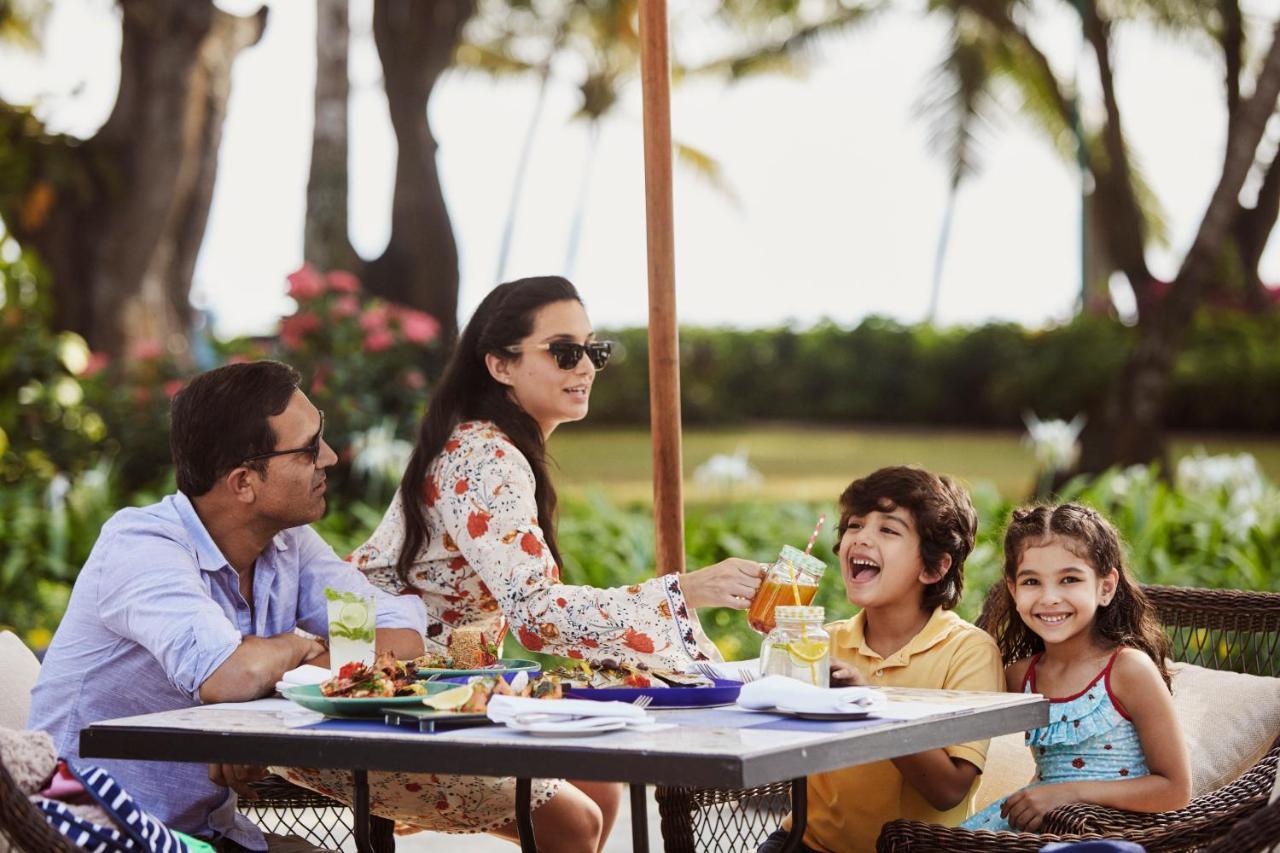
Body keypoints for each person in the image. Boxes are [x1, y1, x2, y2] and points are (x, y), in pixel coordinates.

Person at [281, 276, 764, 853]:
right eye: (564, 351)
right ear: (500, 365)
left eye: (595, 351)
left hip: (439, 690)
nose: (584, 366)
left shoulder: (491, 444)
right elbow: (537, 615)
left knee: (601, 788)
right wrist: (683, 592)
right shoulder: (485, 455)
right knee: (578, 821)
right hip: (377, 700)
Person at [27, 360, 427, 853]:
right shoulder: (142, 546)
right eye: (307, 448)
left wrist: (269, 689)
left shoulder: (288, 545)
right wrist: (300, 648)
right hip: (97, 830)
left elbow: (402, 634)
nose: (330, 457)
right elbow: (226, 676)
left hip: (201, 833)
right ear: (243, 483)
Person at [758, 466, 1003, 853]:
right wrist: (773, 652)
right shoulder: (821, 642)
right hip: (807, 843)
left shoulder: (968, 651)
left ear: (934, 566)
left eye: (888, 530)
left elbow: (947, 790)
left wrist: (868, 702)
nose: (861, 539)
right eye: (855, 526)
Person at [961, 503, 1190, 832]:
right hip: (1040, 827)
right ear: (1013, 590)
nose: (1050, 597)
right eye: (1031, 582)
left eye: (1069, 579)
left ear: (1105, 588)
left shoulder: (1128, 669)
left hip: (1109, 831)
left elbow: (1175, 789)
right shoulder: (1020, 676)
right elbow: (958, 722)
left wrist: (1066, 794)